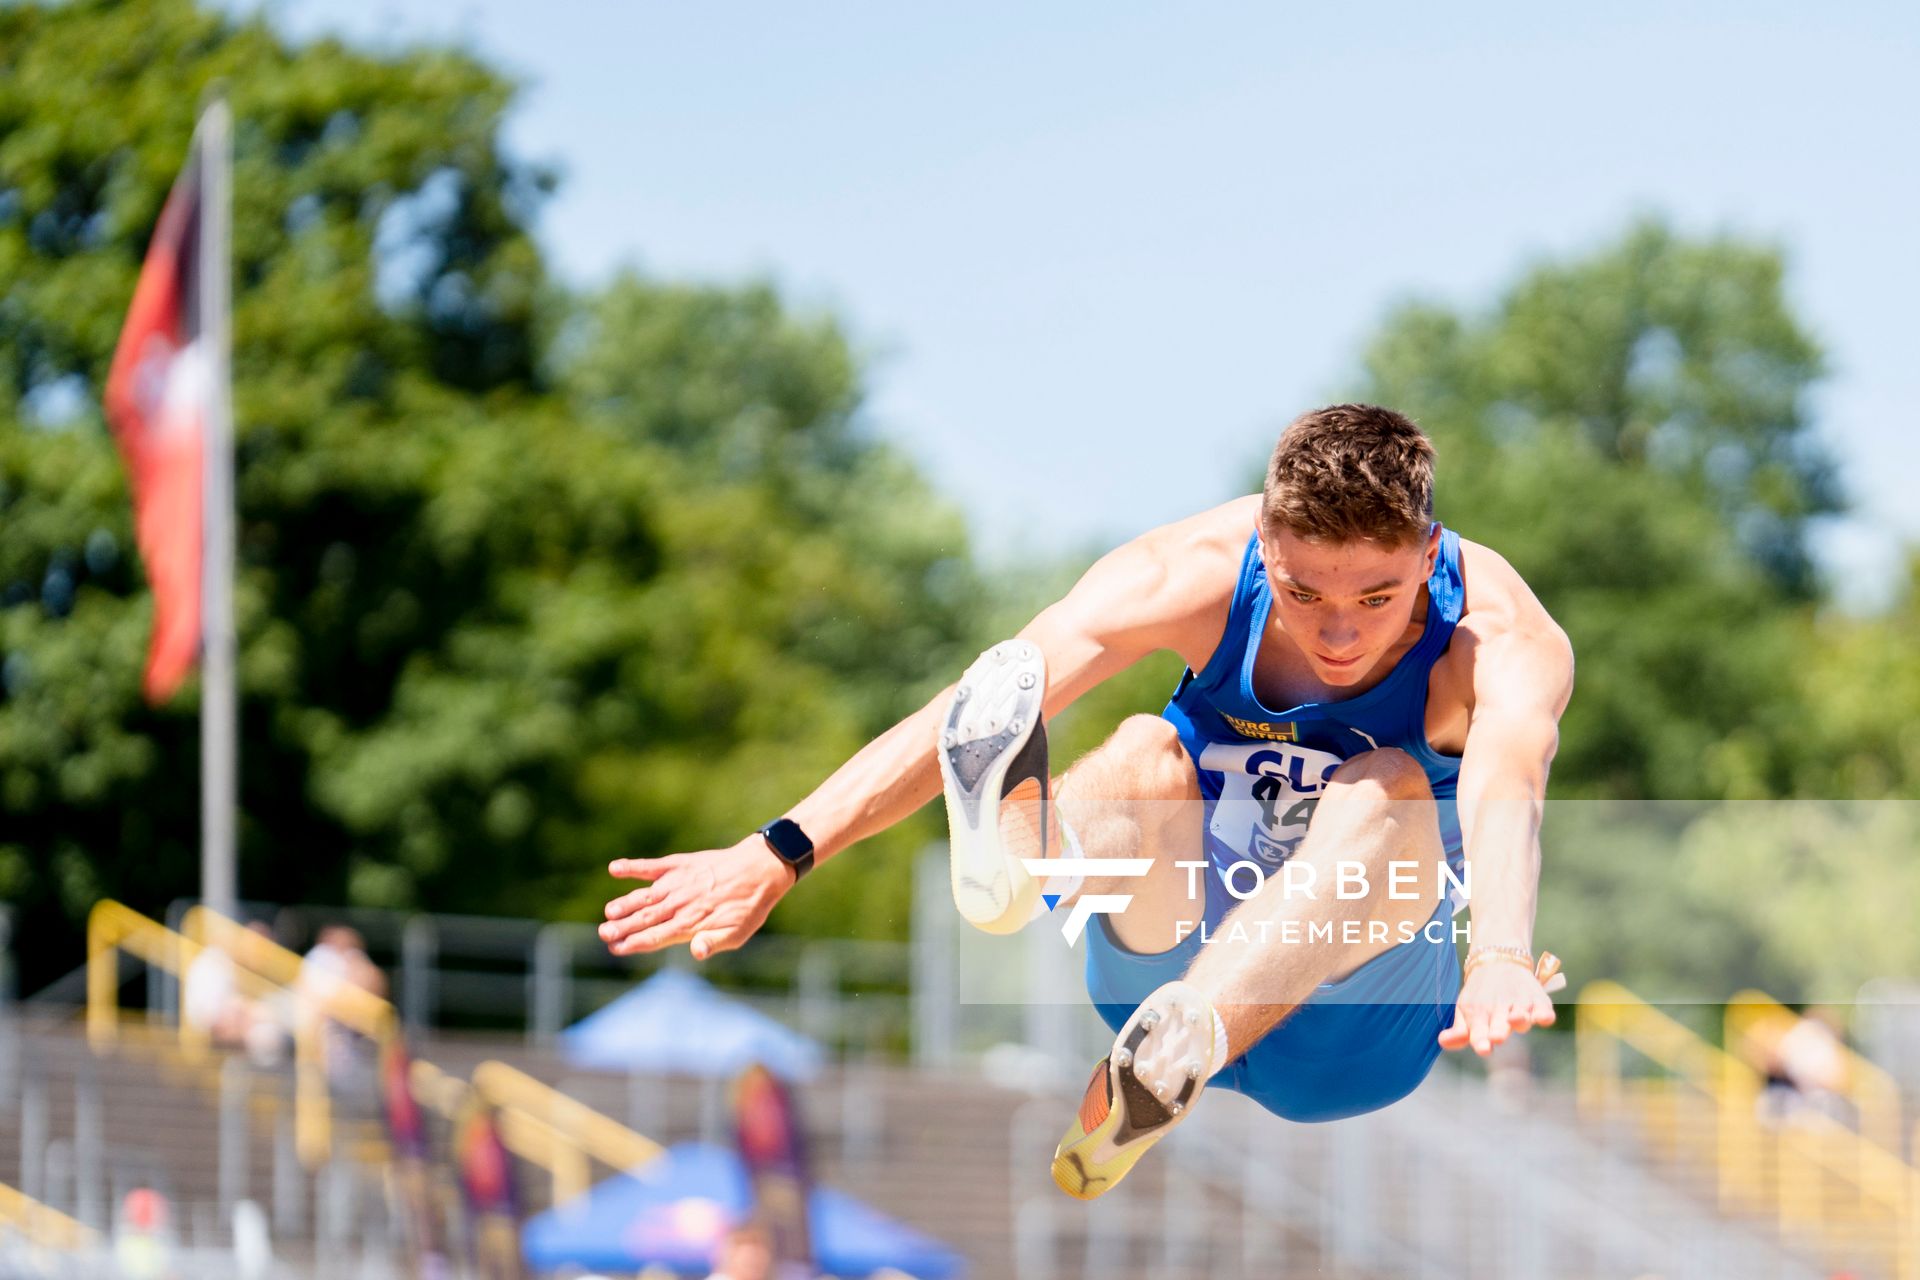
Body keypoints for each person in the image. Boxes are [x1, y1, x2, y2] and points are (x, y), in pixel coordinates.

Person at [601, 404, 1574, 1198]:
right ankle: (1020, 868)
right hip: (1161, 957)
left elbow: (1508, 778)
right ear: (1265, 538)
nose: (1339, 631)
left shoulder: (1492, 633)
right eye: (1304, 588)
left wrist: (1496, 954)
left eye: (1377, 596)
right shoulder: (1188, 572)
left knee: (1388, 786)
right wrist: (782, 847)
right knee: (1148, 751)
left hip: (1353, 1024)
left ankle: (1188, 1032)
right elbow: (979, 702)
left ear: (1429, 549)